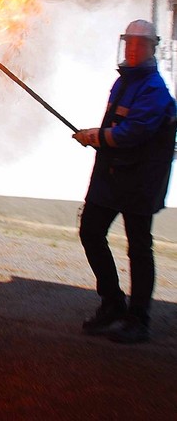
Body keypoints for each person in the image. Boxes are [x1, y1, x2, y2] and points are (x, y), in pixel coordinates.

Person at [73, 19, 177, 344]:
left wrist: (95, 136)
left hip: (139, 181)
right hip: (111, 177)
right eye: (129, 43)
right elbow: (117, 126)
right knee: (91, 231)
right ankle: (113, 303)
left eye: (139, 44)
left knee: (139, 248)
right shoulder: (122, 83)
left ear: (150, 48)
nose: (132, 49)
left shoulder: (155, 90)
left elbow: (133, 132)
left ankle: (138, 319)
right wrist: (98, 136)